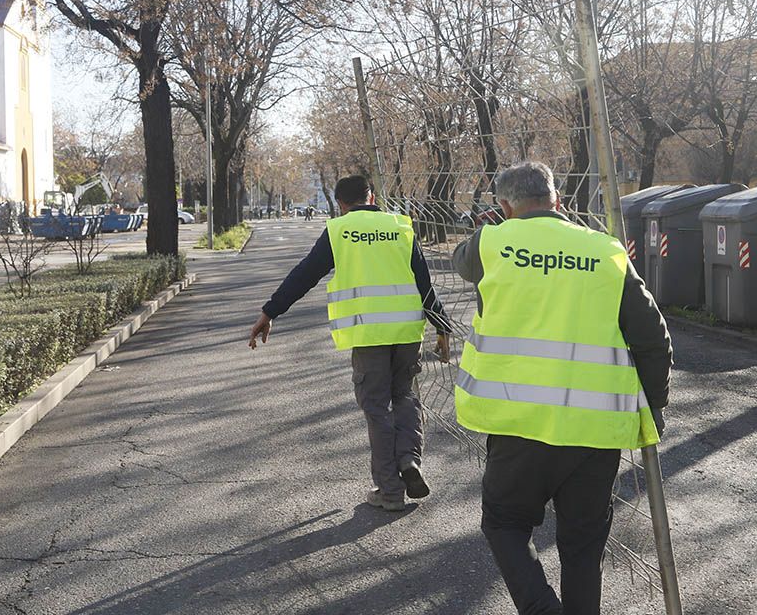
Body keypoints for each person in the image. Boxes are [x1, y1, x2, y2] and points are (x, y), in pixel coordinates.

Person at [452, 162, 672, 615]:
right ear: (558, 199)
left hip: (519, 425)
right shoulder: (607, 252)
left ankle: (540, 608)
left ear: (505, 205)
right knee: (583, 547)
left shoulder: (491, 243)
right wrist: (653, 412)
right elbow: (653, 339)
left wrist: (498, 231)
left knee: (505, 524)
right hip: (595, 430)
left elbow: (461, 261)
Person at [248, 174, 453, 511]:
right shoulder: (402, 227)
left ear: (341, 204)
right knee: (405, 397)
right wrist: (442, 327)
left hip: (368, 334)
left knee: (376, 407)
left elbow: (304, 275)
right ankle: (409, 460)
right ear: (371, 197)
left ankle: (389, 491)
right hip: (406, 333)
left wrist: (269, 313)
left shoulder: (338, 231)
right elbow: (424, 283)